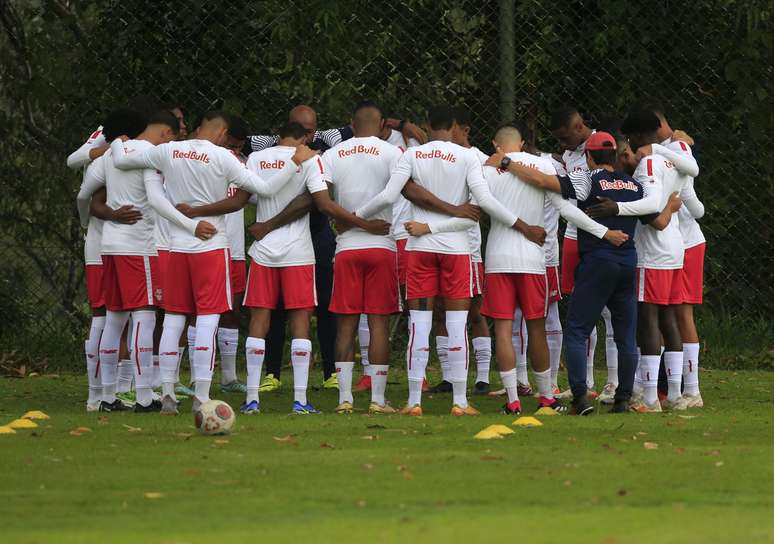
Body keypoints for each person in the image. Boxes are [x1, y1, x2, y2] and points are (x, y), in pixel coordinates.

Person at [110, 111, 317, 414]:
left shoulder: (166, 151)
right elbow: (267, 189)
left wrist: (117, 141)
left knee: (174, 318)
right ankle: (201, 395)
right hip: (211, 245)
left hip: (177, 247)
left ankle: (167, 390)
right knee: (208, 318)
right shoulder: (223, 158)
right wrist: (295, 163)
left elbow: (123, 162)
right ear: (222, 133)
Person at [178, 121, 389, 414]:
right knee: (300, 321)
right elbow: (323, 205)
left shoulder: (256, 159)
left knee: (259, 321)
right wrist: (364, 224)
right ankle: (300, 399)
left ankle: (252, 398)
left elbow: (239, 200)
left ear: (279, 136)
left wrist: (196, 211)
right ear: (303, 138)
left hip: (263, 251)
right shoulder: (310, 160)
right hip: (297, 252)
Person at [355, 105, 544, 416]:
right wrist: (523, 226)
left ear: (428, 125)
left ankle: (414, 401)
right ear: (455, 126)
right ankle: (459, 401)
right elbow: (482, 203)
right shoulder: (468, 156)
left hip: (419, 247)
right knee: (457, 325)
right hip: (456, 250)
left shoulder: (412, 155)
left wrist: (356, 215)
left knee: (420, 325)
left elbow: (389, 196)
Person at [497, 131, 650, 414]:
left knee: (578, 330)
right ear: (615, 156)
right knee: (625, 335)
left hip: (597, 262)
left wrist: (507, 163)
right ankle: (623, 399)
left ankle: (580, 396)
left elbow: (544, 181)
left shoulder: (587, 179)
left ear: (589, 157)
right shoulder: (633, 185)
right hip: (628, 262)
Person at [586, 109, 698, 412]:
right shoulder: (669, 160)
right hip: (675, 249)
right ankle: (674, 394)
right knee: (668, 319)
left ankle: (650, 398)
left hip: (655, 252)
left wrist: (617, 209)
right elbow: (690, 206)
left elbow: (651, 210)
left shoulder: (648, 162)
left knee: (647, 319)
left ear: (635, 137)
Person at [81, 110, 180, 412]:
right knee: (145, 318)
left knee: (114, 318)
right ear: (165, 133)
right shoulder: (152, 154)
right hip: (138, 246)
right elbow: (157, 198)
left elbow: (85, 194)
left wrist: (105, 216)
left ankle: (107, 396)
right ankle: (143, 397)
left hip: (108, 245)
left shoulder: (114, 152)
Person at [322, 101, 404, 413]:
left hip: (346, 247)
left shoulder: (333, 153)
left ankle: (344, 399)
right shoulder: (392, 152)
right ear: (383, 124)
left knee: (345, 326)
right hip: (381, 244)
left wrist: (348, 219)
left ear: (351, 124)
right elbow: (398, 192)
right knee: (378, 324)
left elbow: (323, 199)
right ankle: (378, 400)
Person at [550, 107, 618, 398]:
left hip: (603, 235)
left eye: (565, 137)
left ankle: (614, 381)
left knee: (611, 312)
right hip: (574, 235)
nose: (563, 144)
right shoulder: (567, 155)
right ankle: (585, 381)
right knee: (581, 306)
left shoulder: (606, 145)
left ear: (579, 126)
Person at [646, 103, 705, 408]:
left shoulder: (676, 146)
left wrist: (657, 149)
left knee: (681, 313)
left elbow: (694, 203)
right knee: (668, 313)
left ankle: (692, 391)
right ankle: (675, 388)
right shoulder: (665, 149)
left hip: (687, 242)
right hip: (670, 245)